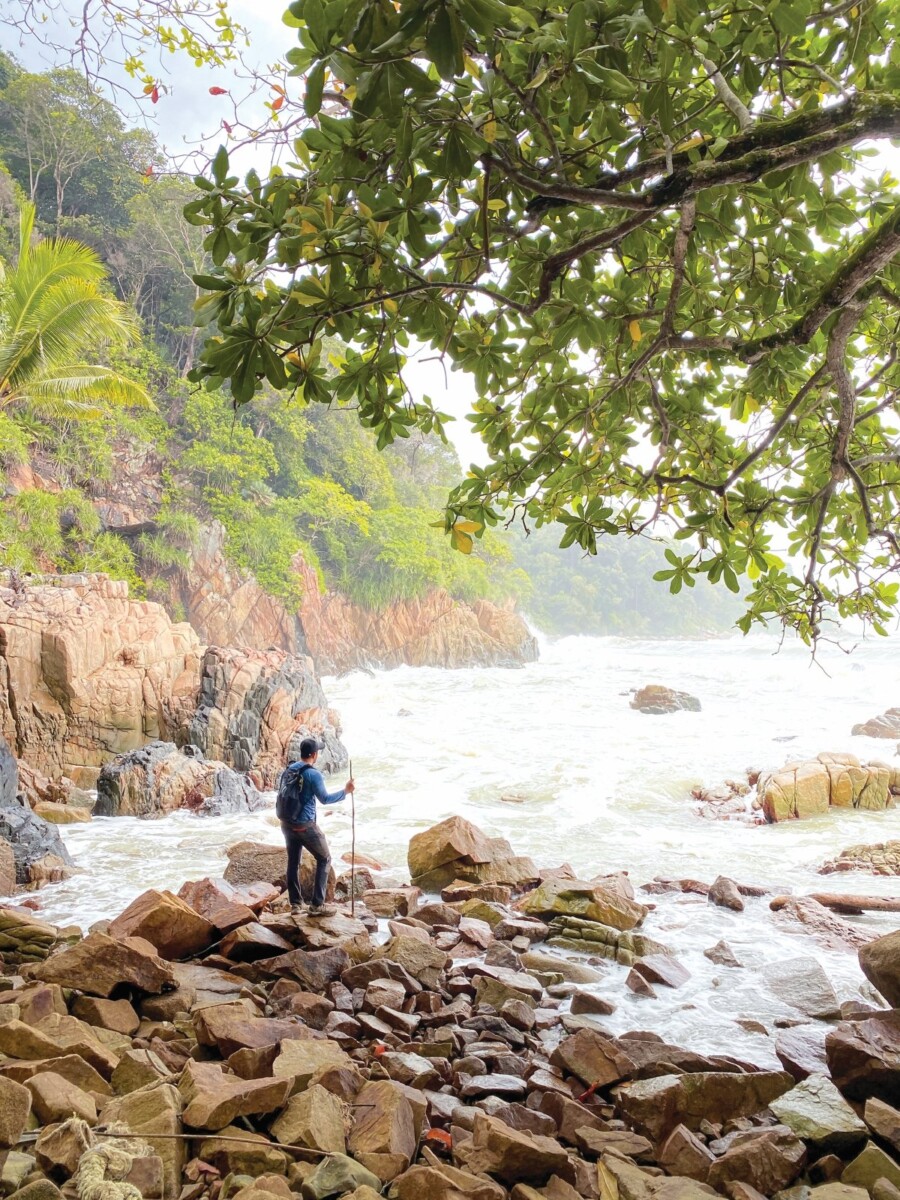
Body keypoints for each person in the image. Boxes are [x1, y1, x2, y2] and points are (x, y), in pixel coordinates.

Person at [277, 737, 355, 917]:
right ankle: (317, 905)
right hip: (305, 826)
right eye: (317, 751)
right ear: (314, 754)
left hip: (286, 824)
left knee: (293, 862)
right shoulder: (313, 774)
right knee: (324, 858)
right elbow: (325, 799)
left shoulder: (289, 769)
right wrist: (346, 791)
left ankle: (296, 904)